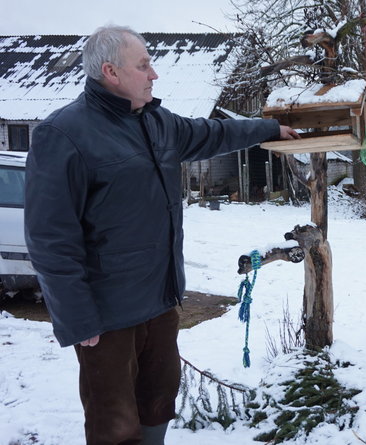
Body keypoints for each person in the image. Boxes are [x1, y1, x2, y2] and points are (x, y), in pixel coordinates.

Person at [24, 25, 299, 444]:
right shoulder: (63, 135)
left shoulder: (156, 122)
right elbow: (49, 238)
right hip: (107, 316)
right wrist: (77, 318)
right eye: (144, 65)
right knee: (114, 423)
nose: (154, 74)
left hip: (160, 299)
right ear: (111, 73)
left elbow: (214, 133)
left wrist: (266, 130)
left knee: (158, 402)